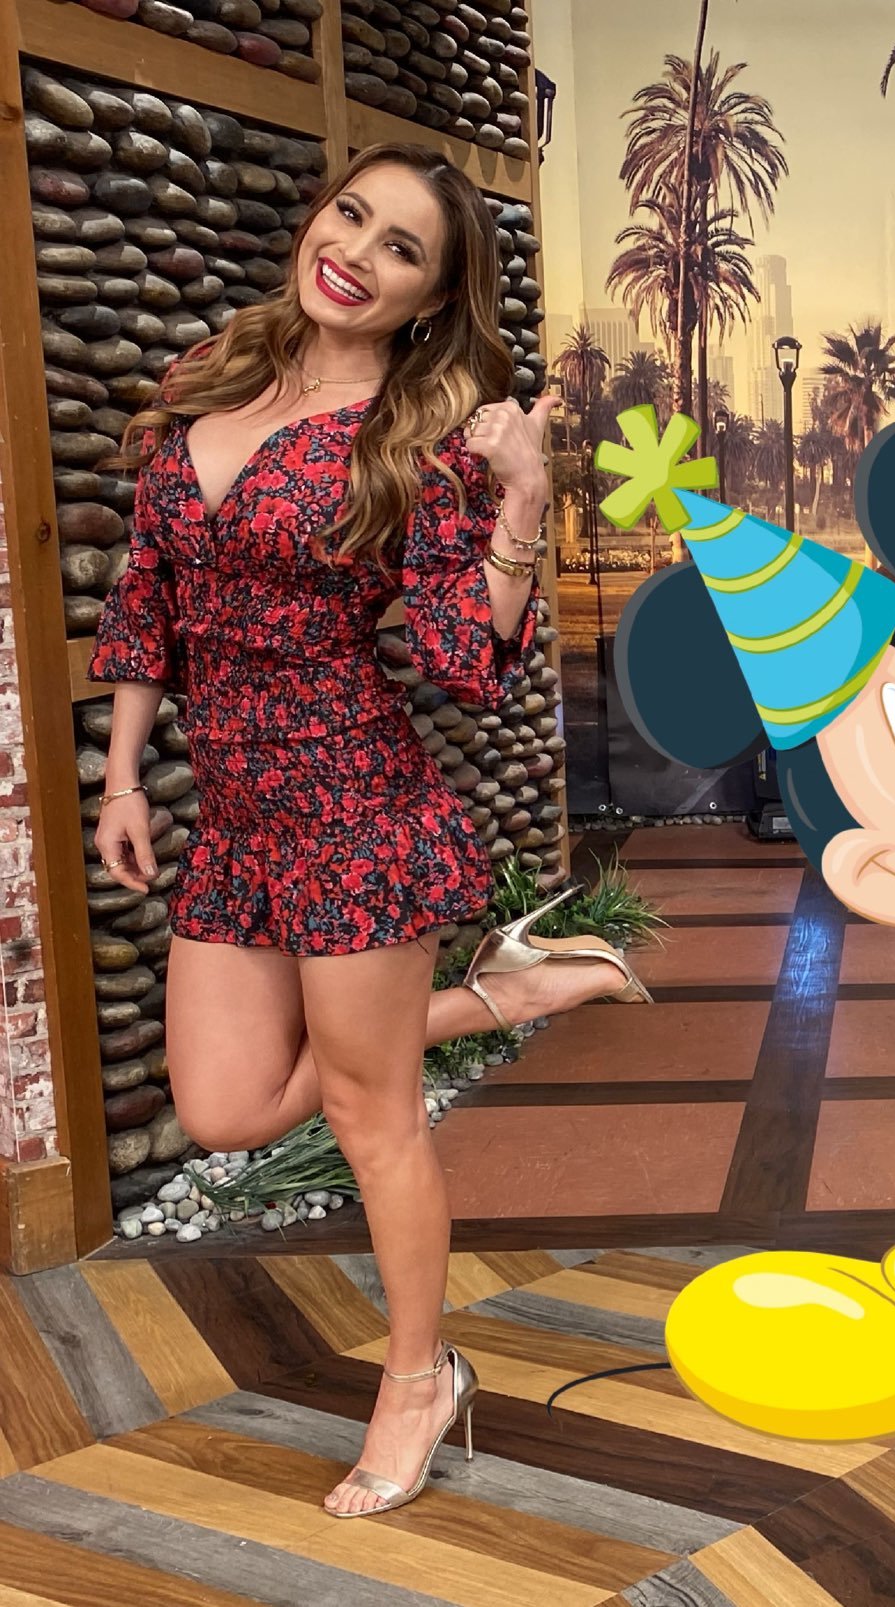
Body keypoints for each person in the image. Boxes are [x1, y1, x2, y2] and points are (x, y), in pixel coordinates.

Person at [90, 144, 650, 1519]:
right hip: (237, 820)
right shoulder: (213, 375)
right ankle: (506, 992)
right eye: (352, 215)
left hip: (355, 811)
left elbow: (464, 662)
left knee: (369, 1113)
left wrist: (523, 499)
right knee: (223, 1109)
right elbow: (148, 590)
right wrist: (121, 778)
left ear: (430, 299)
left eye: (401, 248)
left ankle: (418, 1377)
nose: (355, 253)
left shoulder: (416, 440)